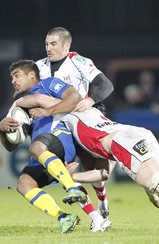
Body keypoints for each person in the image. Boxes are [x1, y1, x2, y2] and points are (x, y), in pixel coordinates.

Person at [18, 94, 159, 229]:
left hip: (122, 142)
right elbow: (104, 173)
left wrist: (17, 104)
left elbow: (39, 98)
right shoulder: (95, 118)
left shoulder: (69, 111)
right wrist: (71, 177)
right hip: (137, 135)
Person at [0, 59, 110, 233]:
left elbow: (74, 97)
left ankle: (73, 188)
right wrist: (1, 131)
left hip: (60, 137)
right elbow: (10, 147)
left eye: (17, 75)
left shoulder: (48, 84)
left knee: (36, 148)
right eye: (12, 77)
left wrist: (48, 110)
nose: (13, 81)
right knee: (24, 184)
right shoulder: (17, 104)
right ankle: (67, 217)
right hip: (42, 150)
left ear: (32, 75)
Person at [36, 27, 114, 220]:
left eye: (53, 44)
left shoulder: (79, 62)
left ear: (66, 45)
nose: (48, 48)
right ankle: (96, 218)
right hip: (57, 126)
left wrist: (91, 100)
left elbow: (106, 85)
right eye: (46, 44)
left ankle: (102, 199)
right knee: (64, 174)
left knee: (97, 170)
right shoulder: (38, 67)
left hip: (82, 121)